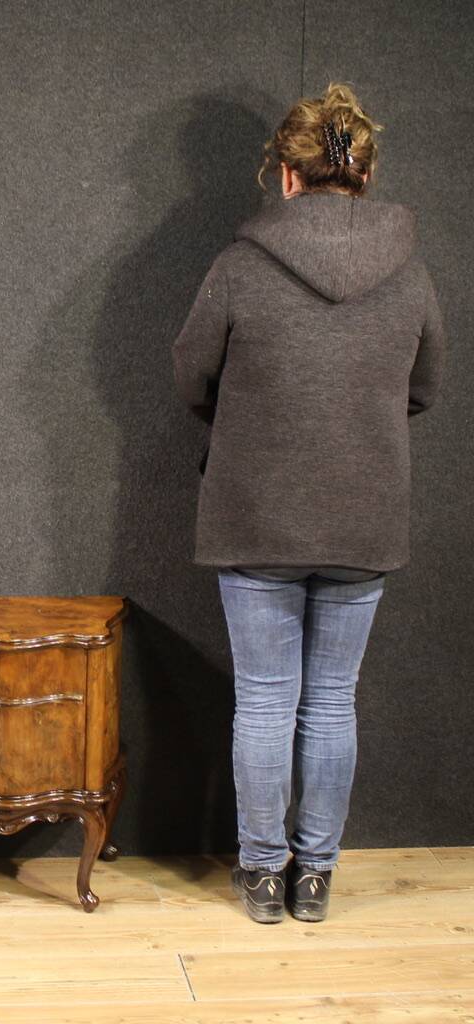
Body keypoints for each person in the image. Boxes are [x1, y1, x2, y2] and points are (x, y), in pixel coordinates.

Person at [171, 82, 446, 924]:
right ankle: (315, 879)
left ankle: (262, 875)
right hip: (364, 513)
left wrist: (250, 425)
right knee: (331, 701)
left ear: (286, 176)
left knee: (265, 699)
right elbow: (424, 388)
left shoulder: (240, 266)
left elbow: (192, 375)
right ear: (364, 172)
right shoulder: (410, 272)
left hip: (256, 512)